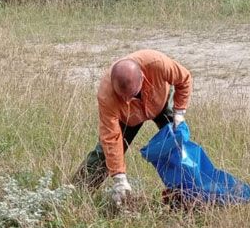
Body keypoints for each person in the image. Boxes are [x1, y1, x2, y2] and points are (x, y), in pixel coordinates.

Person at [71, 49, 192, 207]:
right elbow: (111, 137)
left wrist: (179, 113)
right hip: (128, 118)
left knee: (179, 146)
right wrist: (119, 178)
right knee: (103, 155)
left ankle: (188, 194)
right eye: (123, 97)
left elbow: (184, 79)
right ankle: (74, 196)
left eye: (132, 95)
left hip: (158, 101)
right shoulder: (107, 95)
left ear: (142, 77)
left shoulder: (157, 63)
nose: (128, 100)